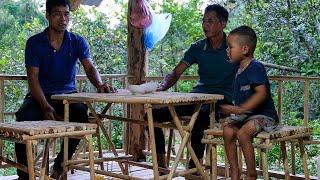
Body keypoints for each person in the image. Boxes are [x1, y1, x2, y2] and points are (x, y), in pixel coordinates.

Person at [15, 0, 116, 179]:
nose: (63, 19)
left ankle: (60, 165)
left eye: (66, 14)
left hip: (67, 96)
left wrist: (100, 85)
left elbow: (90, 68)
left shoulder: (77, 41)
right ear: (47, 15)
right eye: (57, 14)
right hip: (40, 96)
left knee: (80, 116)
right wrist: (45, 106)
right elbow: (33, 78)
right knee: (23, 120)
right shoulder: (34, 43)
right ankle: (24, 174)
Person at [150, 4, 238, 171]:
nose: (205, 25)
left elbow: (246, 72)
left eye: (210, 21)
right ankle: (161, 166)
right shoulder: (197, 47)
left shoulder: (233, 48)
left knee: (201, 117)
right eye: (204, 21)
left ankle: (195, 167)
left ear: (223, 23)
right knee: (152, 114)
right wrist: (161, 88)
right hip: (197, 98)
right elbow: (176, 72)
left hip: (221, 101)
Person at [221, 26, 279, 180]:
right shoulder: (237, 69)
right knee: (227, 129)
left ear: (245, 49)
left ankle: (251, 173)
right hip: (247, 116)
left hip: (264, 115)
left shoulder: (255, 67)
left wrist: (240, 109)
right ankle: (235, 171)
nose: (227, 50)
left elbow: (262, 93)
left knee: (243, 133)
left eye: (230, 47)